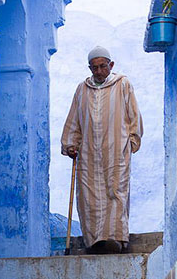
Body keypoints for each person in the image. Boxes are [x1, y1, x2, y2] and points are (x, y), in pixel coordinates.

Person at [61, 46, 143, 254]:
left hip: (116, 150)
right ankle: (95, 240)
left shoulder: (122, 84)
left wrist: (132, 141)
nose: (98, 71)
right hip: (88, 153)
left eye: (102, 67)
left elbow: (134, 115)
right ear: (89, 68)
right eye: (94, 68)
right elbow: (74, 119)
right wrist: (71, 142)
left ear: (111, 65)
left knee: (115, 191)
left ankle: (116, 239)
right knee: (89, 194)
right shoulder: (82, 89)